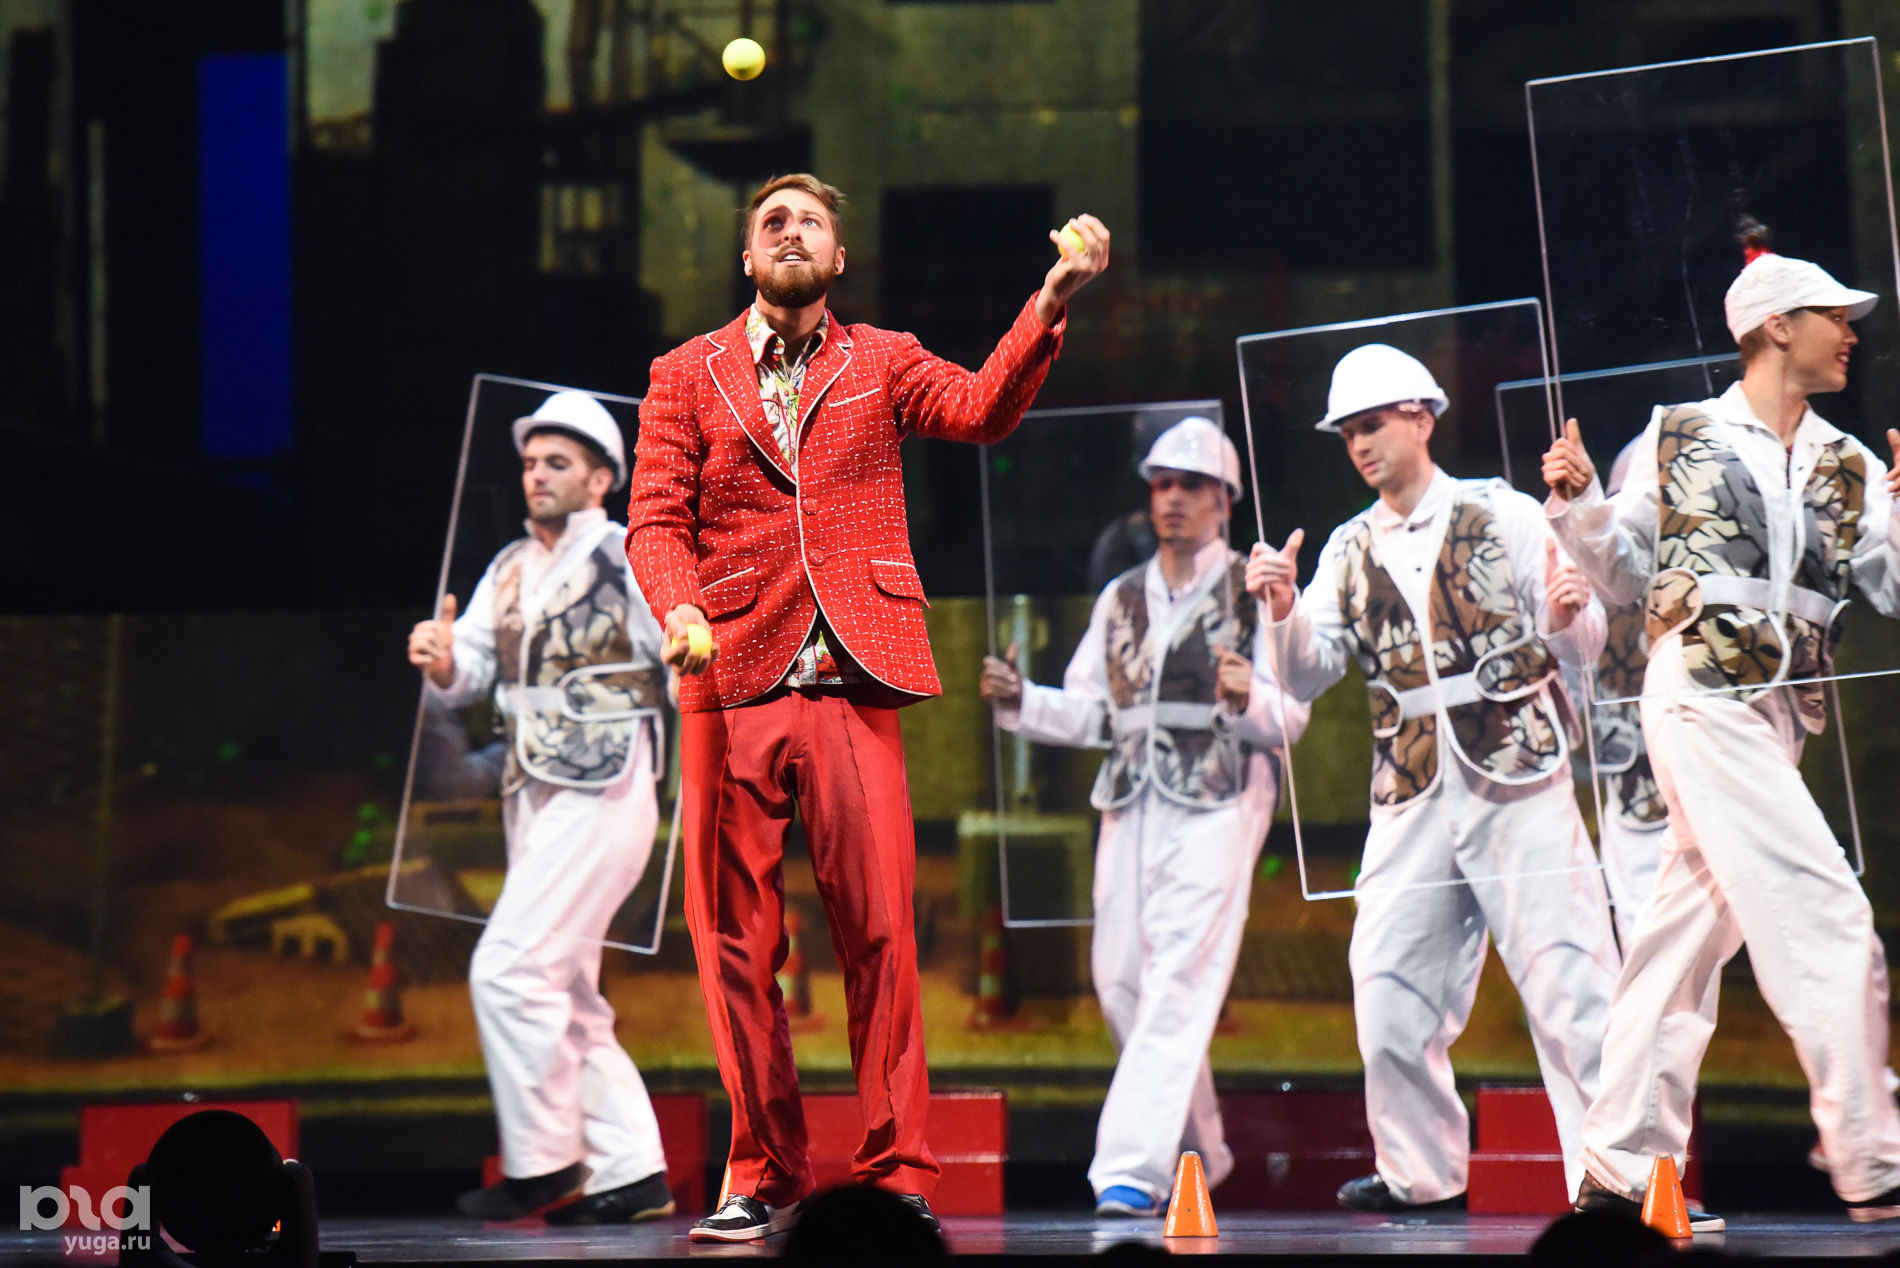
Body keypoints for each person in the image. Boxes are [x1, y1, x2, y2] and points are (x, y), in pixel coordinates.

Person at [624, 172, 1109, 1242]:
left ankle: (894, 1170)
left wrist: (1050, 301)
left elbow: (978, 408)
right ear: (748, 258)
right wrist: (679, 603)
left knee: (883, 928)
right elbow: (654, 517)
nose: (791, 231)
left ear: (839, 259)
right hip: (728, 672)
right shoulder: (684, 373)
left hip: (849, 669)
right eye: (772, 222)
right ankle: (763, 1168)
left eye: (811, 221)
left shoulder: (881, 357)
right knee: (732, 940)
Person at [1544, 245, 1900, 1225]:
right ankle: (1872, 1154)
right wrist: (1581, 503)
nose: (1850, 333)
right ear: (1776, 326)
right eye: (1833, 315)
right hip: (1698, 692)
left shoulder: (1849, 462)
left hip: (1780, 718)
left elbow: (1889, 585)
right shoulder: (1682, 433)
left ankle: (1619, 1168)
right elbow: (1624, 574)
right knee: (1824, 910)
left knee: (1681, 940)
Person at [1243, 342, 1620, 1213]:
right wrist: (1283, 609)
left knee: (1572, 981)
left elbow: (1584, 643)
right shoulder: (1347, 547)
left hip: (1518, 771)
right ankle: (1419, 1172)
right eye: (1348, 433)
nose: (1360, 445)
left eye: (1372, 424)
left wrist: (1565, 617)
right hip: (1409, 787)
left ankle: (1617, 1173)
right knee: (1387, 989)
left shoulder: (1503, 512)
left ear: (1420, 418)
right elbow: (1303, 676)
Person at [978, 417, 1309, 1217]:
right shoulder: (1121, 597)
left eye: (1191, 485)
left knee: (1179, 980)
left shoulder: (1255, 591)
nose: (1173, 499)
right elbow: (1095, 712)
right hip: (1130, 799)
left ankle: (1130, 1169)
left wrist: (1247, 698)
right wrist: (1025, 703)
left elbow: (1290, 718)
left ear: (1224, 499)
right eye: (1162, 484)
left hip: (1220, 797)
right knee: (1121, 980)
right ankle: (1202, 1149)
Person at [407, 390, 674, 1224]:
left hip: (606, 784)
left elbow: (682, 653)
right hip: (531, 788)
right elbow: (472, 671)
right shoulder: (510, 567)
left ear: (601, 478)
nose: (537, 476)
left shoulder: (633, 554)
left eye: (557, 463)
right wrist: (442, 660)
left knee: (510, 968)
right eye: (529, 463)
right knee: (563, 987)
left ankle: (545, 1163)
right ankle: (632, 1171)